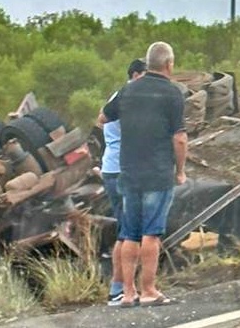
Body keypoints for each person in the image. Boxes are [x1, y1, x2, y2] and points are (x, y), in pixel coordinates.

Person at [102, 42, 187, 308]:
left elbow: (103, 118)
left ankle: (127, 293)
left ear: (148, 64)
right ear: (169, 64)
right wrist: (181, 171)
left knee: (130, 233)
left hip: (128, 172)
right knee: (151, 233)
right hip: (157, 172)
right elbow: (180, 138)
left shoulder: (126, 91)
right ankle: (148, 289)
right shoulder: (173, 94)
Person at [97, 58, 146, 307]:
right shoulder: (127, 98)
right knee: (128, 233)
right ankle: (119, 289)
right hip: (121, 171)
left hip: (112, 168)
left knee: (126, 231)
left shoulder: (117, 97)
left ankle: (121, 288)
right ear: (136, 75)